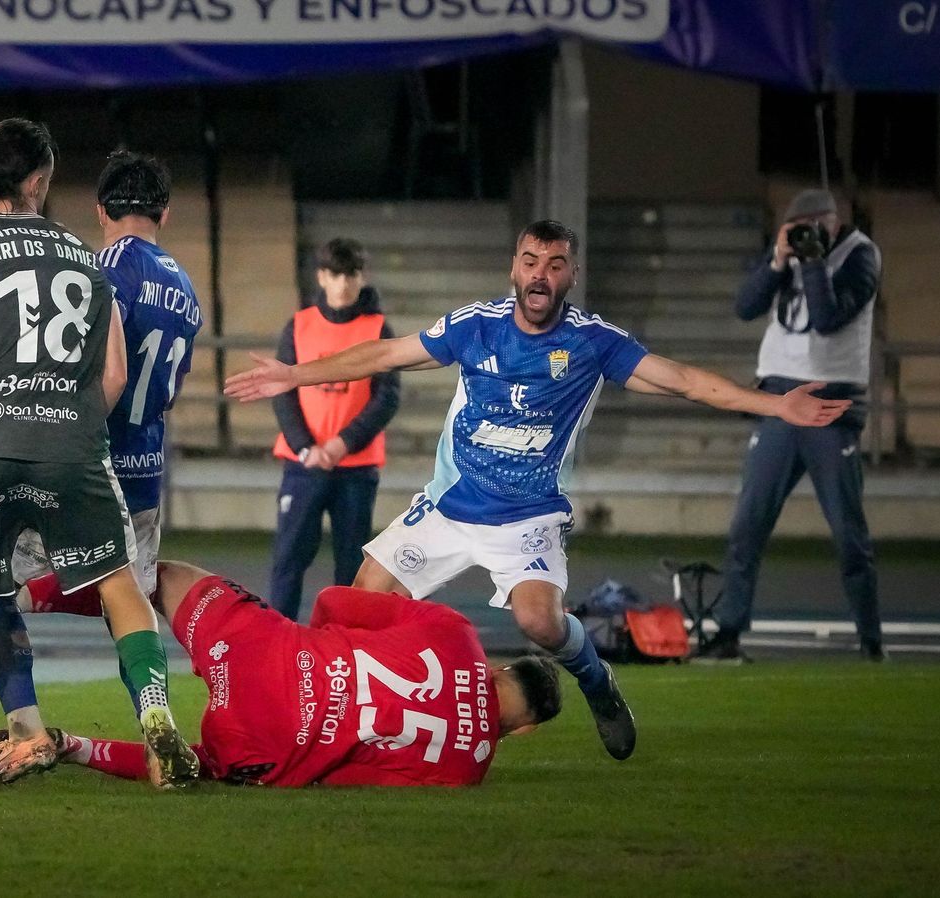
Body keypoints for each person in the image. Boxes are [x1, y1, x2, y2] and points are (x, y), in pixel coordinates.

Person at [224, 219, 853, 762]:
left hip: (527, 515)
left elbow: (684, 379)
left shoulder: (592, 342)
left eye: (554, 264)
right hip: (450, 506)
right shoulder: (477, 326)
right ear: (514, 269)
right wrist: (295, 375)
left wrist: (776, 405)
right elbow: (385, 355)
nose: (539, 275)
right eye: (530, 262)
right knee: (357, 607)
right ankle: (366, 732)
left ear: (570, 274)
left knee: (541, 623)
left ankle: (596, 679)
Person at [0, 118, 198, 794]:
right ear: (39, 182)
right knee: (122, 590)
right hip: (76, 449)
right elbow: (111, 376)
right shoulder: (82, 255)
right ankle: (159, 719)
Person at [0, 150, 205, 770]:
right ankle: (157, 719)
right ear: (166, 213)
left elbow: (86, 371)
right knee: (124, 600)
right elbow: (169, 390)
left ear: (100, 210)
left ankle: (25, 725)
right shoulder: (185, 289)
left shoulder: (96, 270)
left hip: (82, 464)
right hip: (147, 471)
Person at [0, 559, 561, 787]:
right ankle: (68, 745)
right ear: (525, 729)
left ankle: (17, 596)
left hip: (266, 651)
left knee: (154, 576)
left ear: (502, 666)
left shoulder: (456, 634)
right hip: (267, 745)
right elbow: (347, 778)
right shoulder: (464, 772)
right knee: (199, 767)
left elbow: (335, 603)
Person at [704, 189, 884, 662]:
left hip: (830, 401)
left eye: (816, 228)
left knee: (848, 531)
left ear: (834, 220)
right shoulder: (789, 255)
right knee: (748, 524)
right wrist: (778, 260)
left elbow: (827, 318)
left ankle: (871, 639)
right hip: (781, 398)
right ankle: (729, 632)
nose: (810, 237)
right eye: (801, 229)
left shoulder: (861, 255)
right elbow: (744, 307)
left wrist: (812, 261)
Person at [268, 237, 400, 619]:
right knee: (289, 559)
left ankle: (344, 645)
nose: (343, 284)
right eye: (335, 275)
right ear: (322, 277)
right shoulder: (299, 325)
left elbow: (386, 397)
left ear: (362, 277)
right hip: (303, 464)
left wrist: (343, 444)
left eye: (351, 275)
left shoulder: (377, 328)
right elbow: (283, 392)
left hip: (355, 470)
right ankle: (278, 638)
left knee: (351, 567)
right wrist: (307, 447)